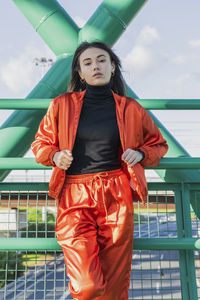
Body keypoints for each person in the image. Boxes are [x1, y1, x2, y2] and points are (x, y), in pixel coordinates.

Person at [31, 41, 168, 300]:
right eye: (88, 62)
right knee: (87, 285)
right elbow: (40, 144)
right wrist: (55, 155)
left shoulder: (131, 108)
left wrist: (140, 154)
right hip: (74, 195)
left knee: (116, 285)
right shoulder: (61, 105)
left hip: (116, 194)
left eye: (102, 60)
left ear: (113, 67)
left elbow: (159, 145)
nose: (96, 66)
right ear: (79, 73)